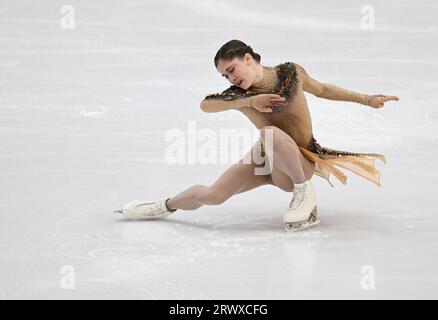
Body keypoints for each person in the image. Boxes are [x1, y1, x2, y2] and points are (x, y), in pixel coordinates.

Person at [115, 39, 399, 231]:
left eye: (231, 70)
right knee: (214, 195)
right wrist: (250, 101)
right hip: (265, 160)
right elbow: (206, 105)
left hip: (299, 162)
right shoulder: (239, 94)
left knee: (271, 133)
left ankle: (304, 195)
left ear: (248, 58)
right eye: (225, 77)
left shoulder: (291, 73)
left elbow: (323, 89)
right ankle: (162, 206)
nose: (230, 79)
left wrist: (366, 99)